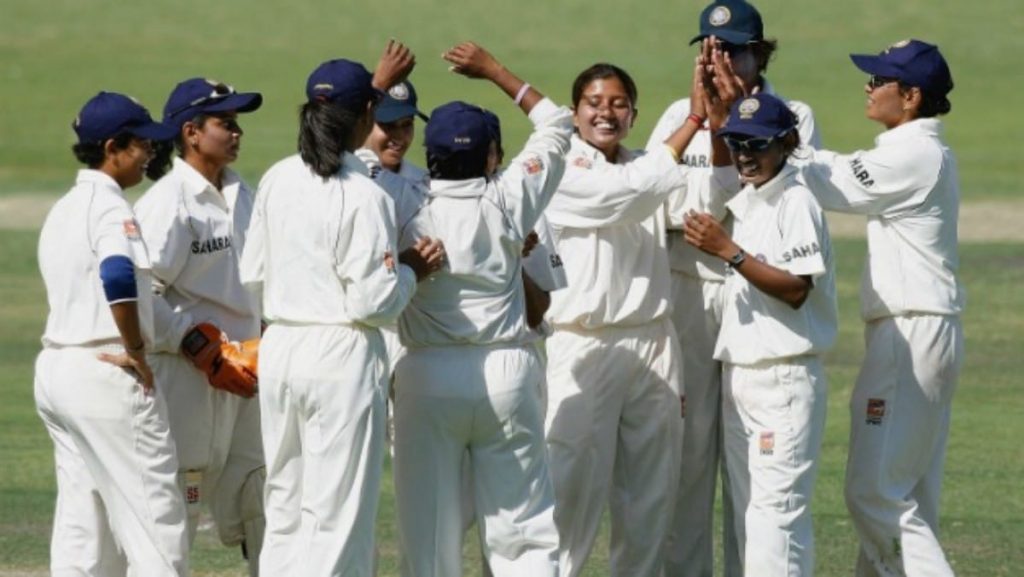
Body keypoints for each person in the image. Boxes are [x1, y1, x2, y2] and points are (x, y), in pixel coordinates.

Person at [239, 42, 444, 576]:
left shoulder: (278, 177)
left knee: (285, 501)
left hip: (282, 346)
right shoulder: (363, 194)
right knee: (338, 508)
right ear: (369, 115)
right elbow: (374, 303)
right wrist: (411, 271)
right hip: (341, 353)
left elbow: (251, 272)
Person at [645, 3, 821, 574]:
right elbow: (662, 203)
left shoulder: (795, 115)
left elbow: (755, 204)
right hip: (689, 294)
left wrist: (727, 128)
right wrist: (705, 121)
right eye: (712, 49)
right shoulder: (679, 113)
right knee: (688, 454)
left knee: (752, 457)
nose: (721, 61)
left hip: (753, 299)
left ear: (761, 53)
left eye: (735, 50)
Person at [391, 42, 572, 577]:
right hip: (506, 373)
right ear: (492, 156)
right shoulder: (510, 197)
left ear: (431, 154)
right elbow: (557, 123)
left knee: (428, 531)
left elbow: (346, 156)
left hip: (426, 375)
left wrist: (378, 86)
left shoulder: (400, 199)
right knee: (523, 527)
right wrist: (494, 71)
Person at [795, 39, 963, 577]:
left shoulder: (913, 153)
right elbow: (840, 168)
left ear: (910, 96)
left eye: (879, 81)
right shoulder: (914, 149)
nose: (868, 88)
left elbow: (831, 184)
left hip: (909, 333)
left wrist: (769, 137)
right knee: (907, 492)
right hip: (921, 328)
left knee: (875, 494)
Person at [542, 61, 706, 577]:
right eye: (594, 103)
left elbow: (698, 204)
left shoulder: (649, 165)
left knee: (652, 497)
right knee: (569, 493)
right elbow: (621, 194)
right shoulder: (563, 167)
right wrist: (692, 122)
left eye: (617, 104)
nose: (605, 113)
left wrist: (717, 121)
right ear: (574, 114)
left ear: (633, 114)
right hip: (584, 343)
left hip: (654, 340)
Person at [683, 90, 837, 577]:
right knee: (752, 515)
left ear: (788, 143)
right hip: (743, 373)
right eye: (738, 144)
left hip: (783, 377)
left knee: (776, 518)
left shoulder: (797, 200)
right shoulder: (748, 200)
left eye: (757, 145)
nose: (746, 156)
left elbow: (796, 289)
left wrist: (728, 251)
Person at [35, 91, 188, 576]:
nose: (149, 155)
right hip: (107, 371)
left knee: (85, 525)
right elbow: (119, 275)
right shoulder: (109, 208)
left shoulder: (63, 207)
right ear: (112, 147)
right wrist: (137, 350)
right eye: (141, 144)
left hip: (58, 370)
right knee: (155, 522)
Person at [133, 77, 267, 575]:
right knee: (177, 503)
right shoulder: (168, 203)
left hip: (249, 376)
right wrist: (200, 347)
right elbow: (141, 293)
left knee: (261, 496)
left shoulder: (244, 194)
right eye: (225, 124)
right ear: (191, 132)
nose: (237, 133)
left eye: (236, 124)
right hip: (187, 380)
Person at [361, 78, 430, 187]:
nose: (400, 136)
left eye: (407, 124)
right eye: (388, 125)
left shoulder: (425, 184)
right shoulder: (342, 177)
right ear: (364, 122)